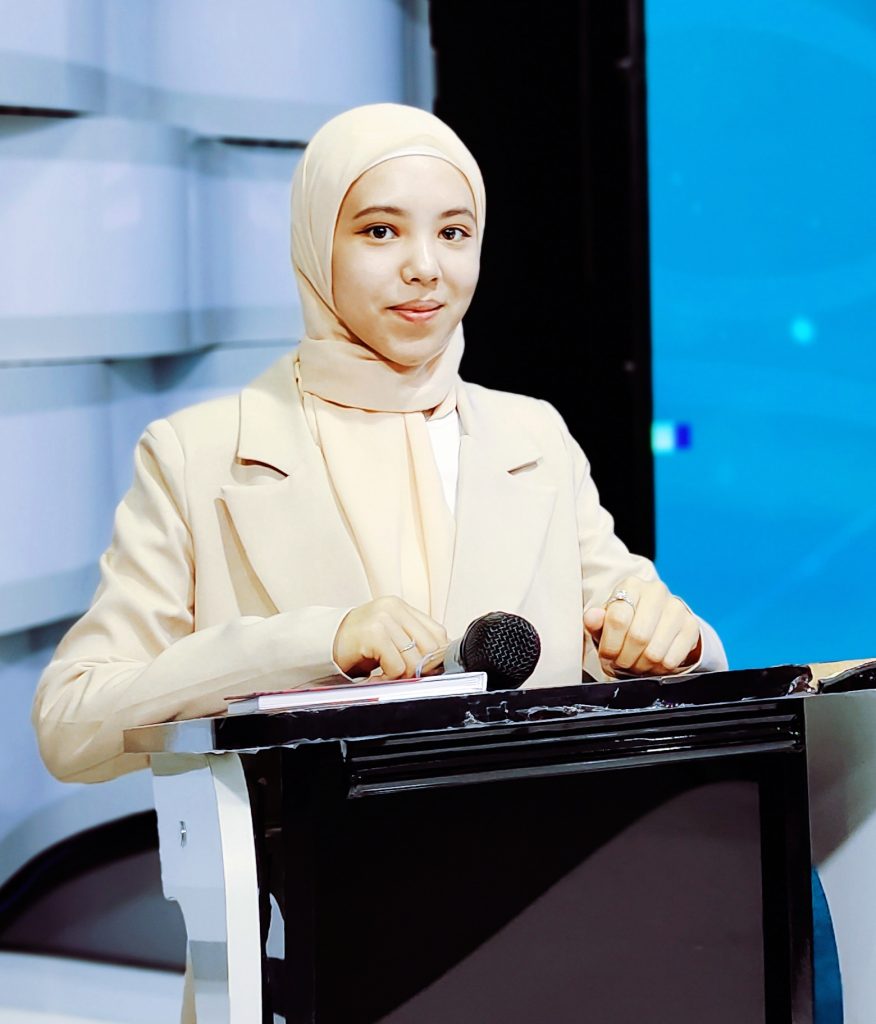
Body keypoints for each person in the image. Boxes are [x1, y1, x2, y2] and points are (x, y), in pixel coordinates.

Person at [33, 103, 726, 787]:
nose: (425, 267)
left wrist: (674, 642)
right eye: (381, 230)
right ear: (315, 243)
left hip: (547, 865)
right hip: (310, 882)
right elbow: (72, 720)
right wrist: (317, 646)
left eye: (454, 232)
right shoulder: (198, 452)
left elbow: (636, 628)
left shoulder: (533, 434)